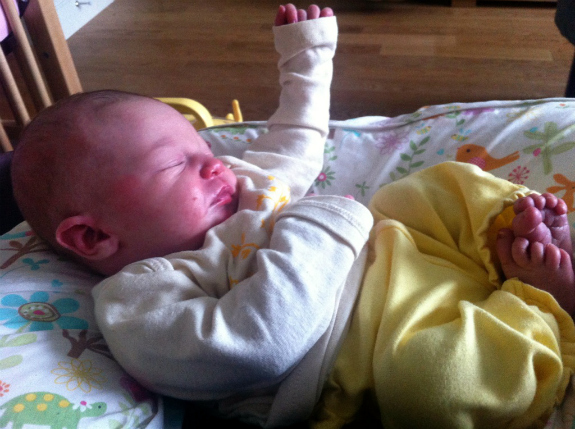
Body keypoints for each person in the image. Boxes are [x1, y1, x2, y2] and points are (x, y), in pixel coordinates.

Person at [9, 4, 575, 429]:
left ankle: (503, 236)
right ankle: (539, 304)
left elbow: (297, 141)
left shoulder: (238, 187)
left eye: (202, 146)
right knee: (437, 385)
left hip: (406, 252)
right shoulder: (140, 301)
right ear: (93, 235)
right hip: (373, 346)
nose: (215, 164)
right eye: (177, 163)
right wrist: (319, 229)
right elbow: (257, 344)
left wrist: (307, 56)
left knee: (434, 185)